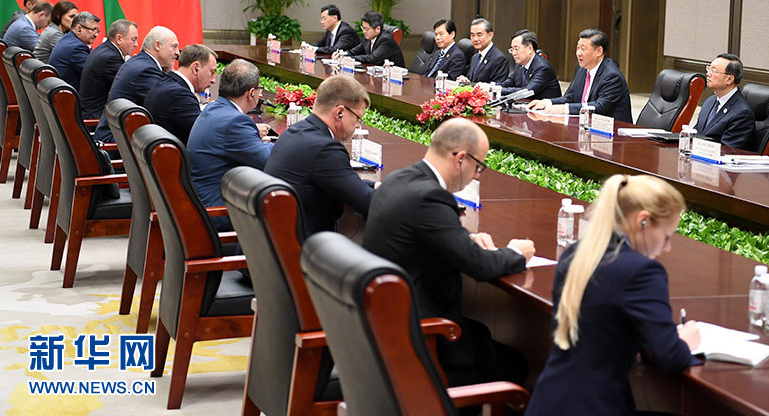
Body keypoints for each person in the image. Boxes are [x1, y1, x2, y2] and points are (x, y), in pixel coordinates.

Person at [362, 118, 535, 392]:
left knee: (482, 334)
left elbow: (423, 235)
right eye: (478, 167)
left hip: (385, 327)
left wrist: (464, 240)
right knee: (517, 364)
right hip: (422, 342)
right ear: (460, 159)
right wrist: (516, 252)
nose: (477, 176)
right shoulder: (431, 197)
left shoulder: (398, 179)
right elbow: (480, 267)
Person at [525, 174, 701, 415]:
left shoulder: (575, 254)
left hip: (548, 402)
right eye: (667, 235)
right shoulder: (643, 271)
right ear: (643, 221)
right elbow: (670, 356)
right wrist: (686, 341)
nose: (667, 247)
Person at [265, 74, 375, 236]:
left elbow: (340, 180)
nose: (358, 126)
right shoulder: (325, 149)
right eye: (358, 118)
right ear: (340, 113)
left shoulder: (294, 131)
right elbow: (369, 202)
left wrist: (374, 186)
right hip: (301, 248)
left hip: (270, 242)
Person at [187, 59, 273, 227]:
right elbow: (269, 160)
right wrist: (290, 141)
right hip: (218, 212)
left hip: (202, 202)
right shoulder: (235, 122)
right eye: (259, 90)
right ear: (251, 93)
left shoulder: (214, 108)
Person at [93, 25, 178, 142]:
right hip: (116, 142)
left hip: (118, 135)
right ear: (157, 45)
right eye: (174, 47)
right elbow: (167, 106)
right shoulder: (146, 71)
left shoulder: (140, 62)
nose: (177, 53)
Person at [529, 28, 632, 122]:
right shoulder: (582, 68)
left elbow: (599, 107)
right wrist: (547, 102)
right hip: (585, 125)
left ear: (599, 51)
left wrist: (563, 109)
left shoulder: (612, 76)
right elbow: (570, 97)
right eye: (578, 48)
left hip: (613, 131)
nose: (578, 53)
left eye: (583, 48)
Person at [144, 44, 218, 146]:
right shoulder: (179, 95)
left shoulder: (165, 84)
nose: (214, 80)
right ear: (196, 68)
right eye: (212, 72)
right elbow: (208, 134)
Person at [80, 19, 140, 119]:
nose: (136, 44)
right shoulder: (111, 58)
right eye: (133, 39)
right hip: (96, 118)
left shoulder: (105, 49)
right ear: (119, 39)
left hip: (92, 111)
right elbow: (129, 86)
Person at [694, 53, 755, 150]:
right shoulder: (709, 102)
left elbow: (728, 149)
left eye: (714, 71)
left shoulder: (742, 113)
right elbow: (695, 134)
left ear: (729, 79)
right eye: (709, 68)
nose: (708, 74)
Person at [500, 29, 561, 100]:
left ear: (529, 48)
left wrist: (500, 90)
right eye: (512, 49)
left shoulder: (542, 68)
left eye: (516, 49)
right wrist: (492, 87)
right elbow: (508, 83)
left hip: (545, 106)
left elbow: (527, 92)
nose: (513, 53)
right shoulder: (520, 65)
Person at [47, 11, 100, 90]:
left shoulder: (68, 39)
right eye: (93, 30)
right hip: (70, 94)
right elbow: (94, 74)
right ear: (79, 29)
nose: (96, 34)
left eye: (98, 31)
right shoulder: (77, 48)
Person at [457, 17, 508, 84]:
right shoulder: (475, 57)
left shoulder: (499, 58)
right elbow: (472, 81)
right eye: (472, 35)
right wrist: (465, 80)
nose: (475, 39)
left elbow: (497, 86)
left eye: (479, 35)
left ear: (490, 35)